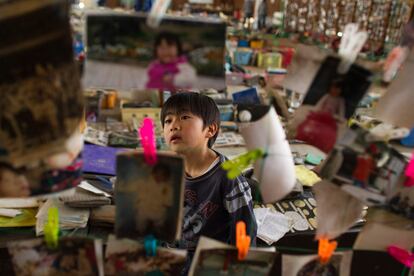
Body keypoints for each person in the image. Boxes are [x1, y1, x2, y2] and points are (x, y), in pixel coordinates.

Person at [161, 92, 257, 274]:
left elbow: (245, 232)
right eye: (168, 120)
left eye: (184, 117)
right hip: (174, 253)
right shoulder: (167, 170)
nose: (173, 125)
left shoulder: (228, 178)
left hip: (209, 261)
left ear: (210, 130)